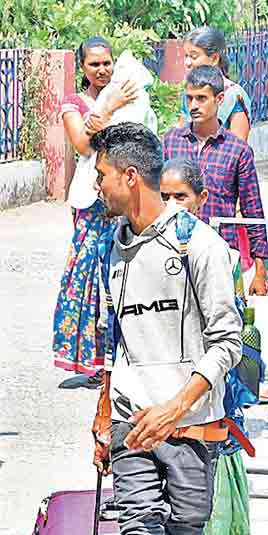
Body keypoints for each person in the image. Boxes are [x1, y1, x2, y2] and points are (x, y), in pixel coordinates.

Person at [88, 123, 242, 535]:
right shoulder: (111, 247)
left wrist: (177, 406)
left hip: (191, 427)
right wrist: (104, 412)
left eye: (101, 175)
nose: (96, 186)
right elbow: (113, 340)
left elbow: (229, 341)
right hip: (131, 426)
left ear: (130, 177)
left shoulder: (198, 245)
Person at [159, 159, 263, 535]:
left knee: (198, 489)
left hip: (207, 390)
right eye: (163, 197)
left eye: (180, 197)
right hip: (159, 387)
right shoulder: (144, 251)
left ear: (201, 201)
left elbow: (238, 331)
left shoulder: (219, 255)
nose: (171, 206)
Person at [54, 37, 139, 384]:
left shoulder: (130, 94)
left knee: (124, 276)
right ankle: (92, 361)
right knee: (88, 278)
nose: (102, 70)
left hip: (125, 198)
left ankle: (124, 359)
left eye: (107, 62)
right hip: (92, 204)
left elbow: (138, 137)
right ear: (83, 68)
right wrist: (109, 108)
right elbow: (84, 144)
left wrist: (115, 107)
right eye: (94, 64)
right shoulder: (74, 103)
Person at [162, 65, 268, 296]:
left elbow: (253, 210)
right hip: (173, 252)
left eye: (201, 98)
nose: (193, 105)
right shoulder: (171, 142)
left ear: (219, 99)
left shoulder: (237, 150)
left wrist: (260, 272)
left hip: (221, 252)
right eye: (189, 98)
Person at [181, 27, 252, 141]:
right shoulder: (189, 91)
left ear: (214, 59)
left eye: (194, 56)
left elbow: (238, 149)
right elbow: (182, 134)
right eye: (186, 56)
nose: (187, 63)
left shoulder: (234, 95)